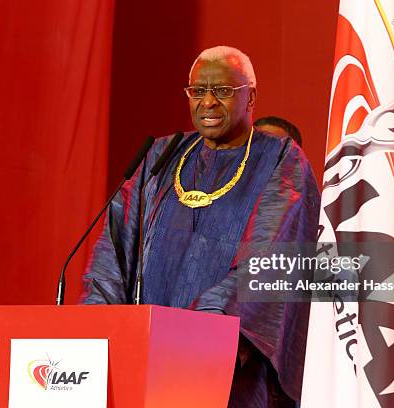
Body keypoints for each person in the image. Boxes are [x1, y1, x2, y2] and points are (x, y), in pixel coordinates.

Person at [80, 46, 320, 407]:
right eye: (197, 91)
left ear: (250, 96)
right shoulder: (162, 155)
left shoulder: (281, 159)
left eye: (222, 91)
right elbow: (113, 253)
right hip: (141, 366)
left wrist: (194, 338)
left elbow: (267, 260)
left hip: (227, 372)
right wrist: (100, 331)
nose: (207, 102)